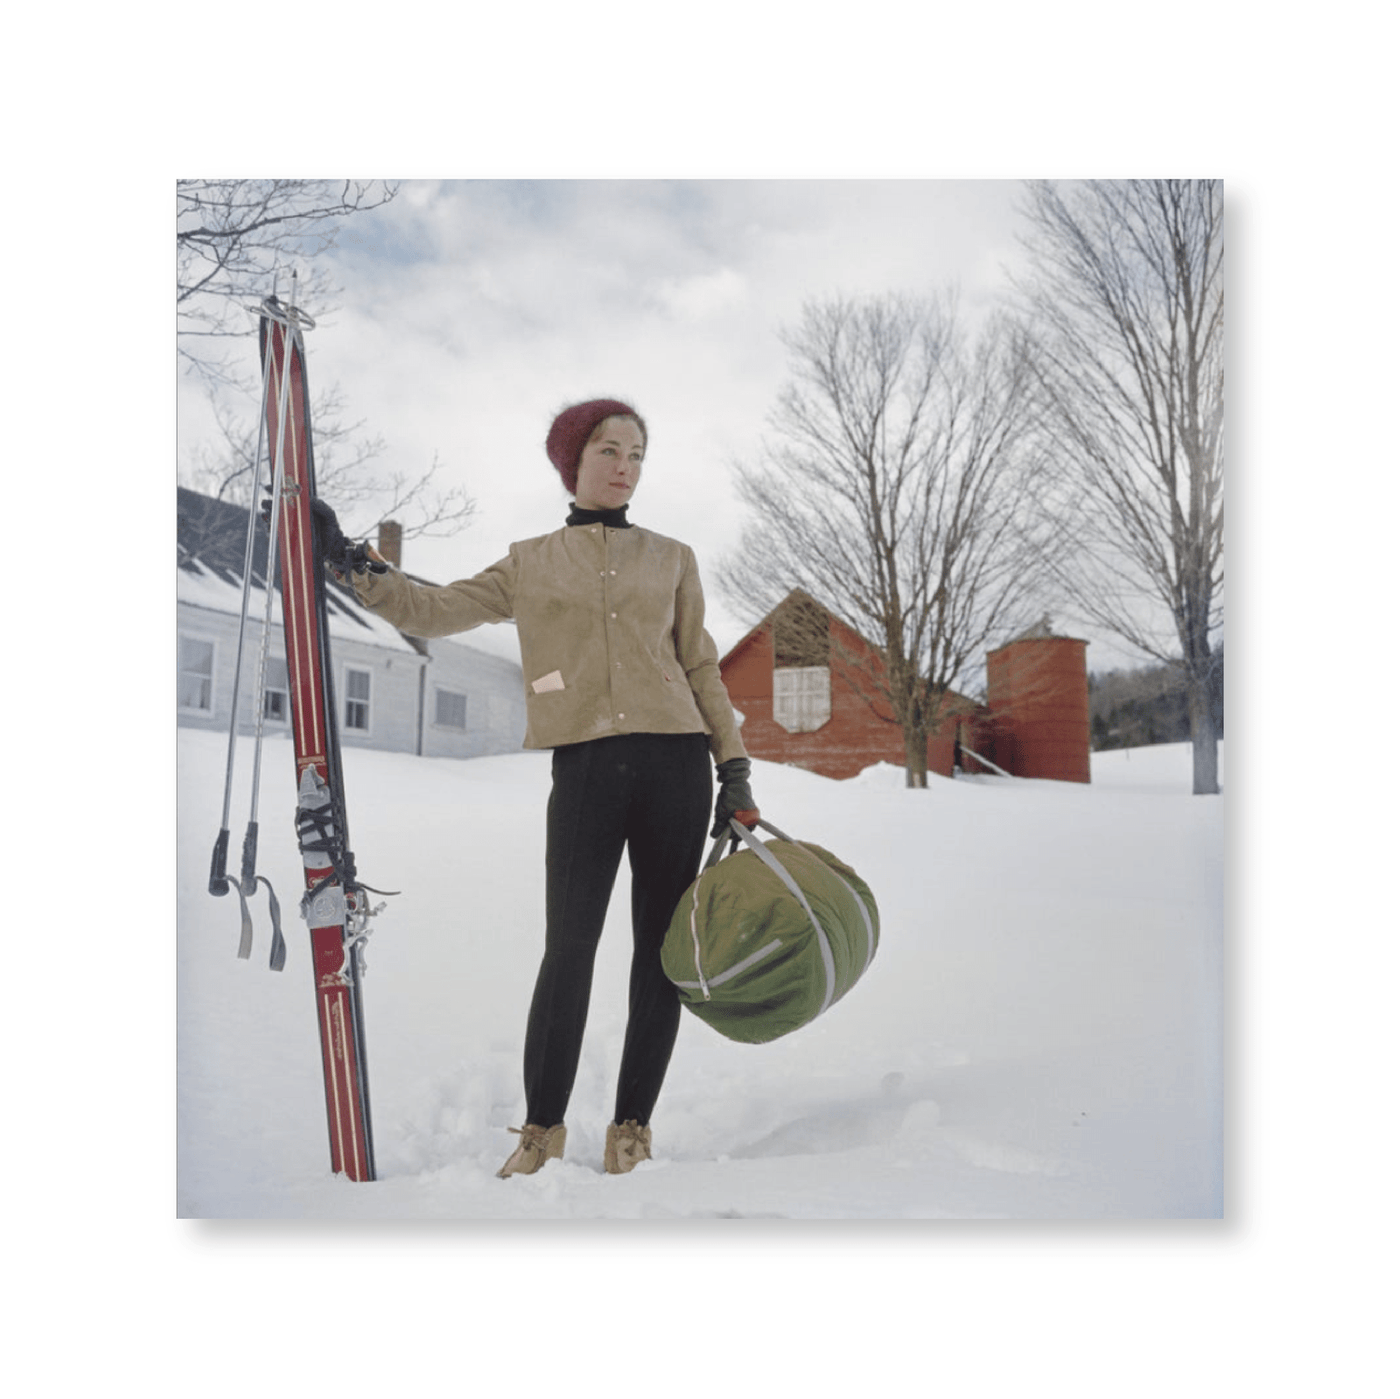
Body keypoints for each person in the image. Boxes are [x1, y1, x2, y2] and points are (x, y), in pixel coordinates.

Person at [315, 398, 758, 1178]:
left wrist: (734, 767)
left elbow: (699, 666)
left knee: (660, 955)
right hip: (585, 768)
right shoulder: (530, 560)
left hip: (674, 766)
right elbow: (438, 607)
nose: (625, 466)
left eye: (637, 455)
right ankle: (542, 1130)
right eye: (609, 450)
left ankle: (631, 1131)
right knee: (569, 948)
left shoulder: (673, 557)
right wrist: (357, 566)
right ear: (573, 461)